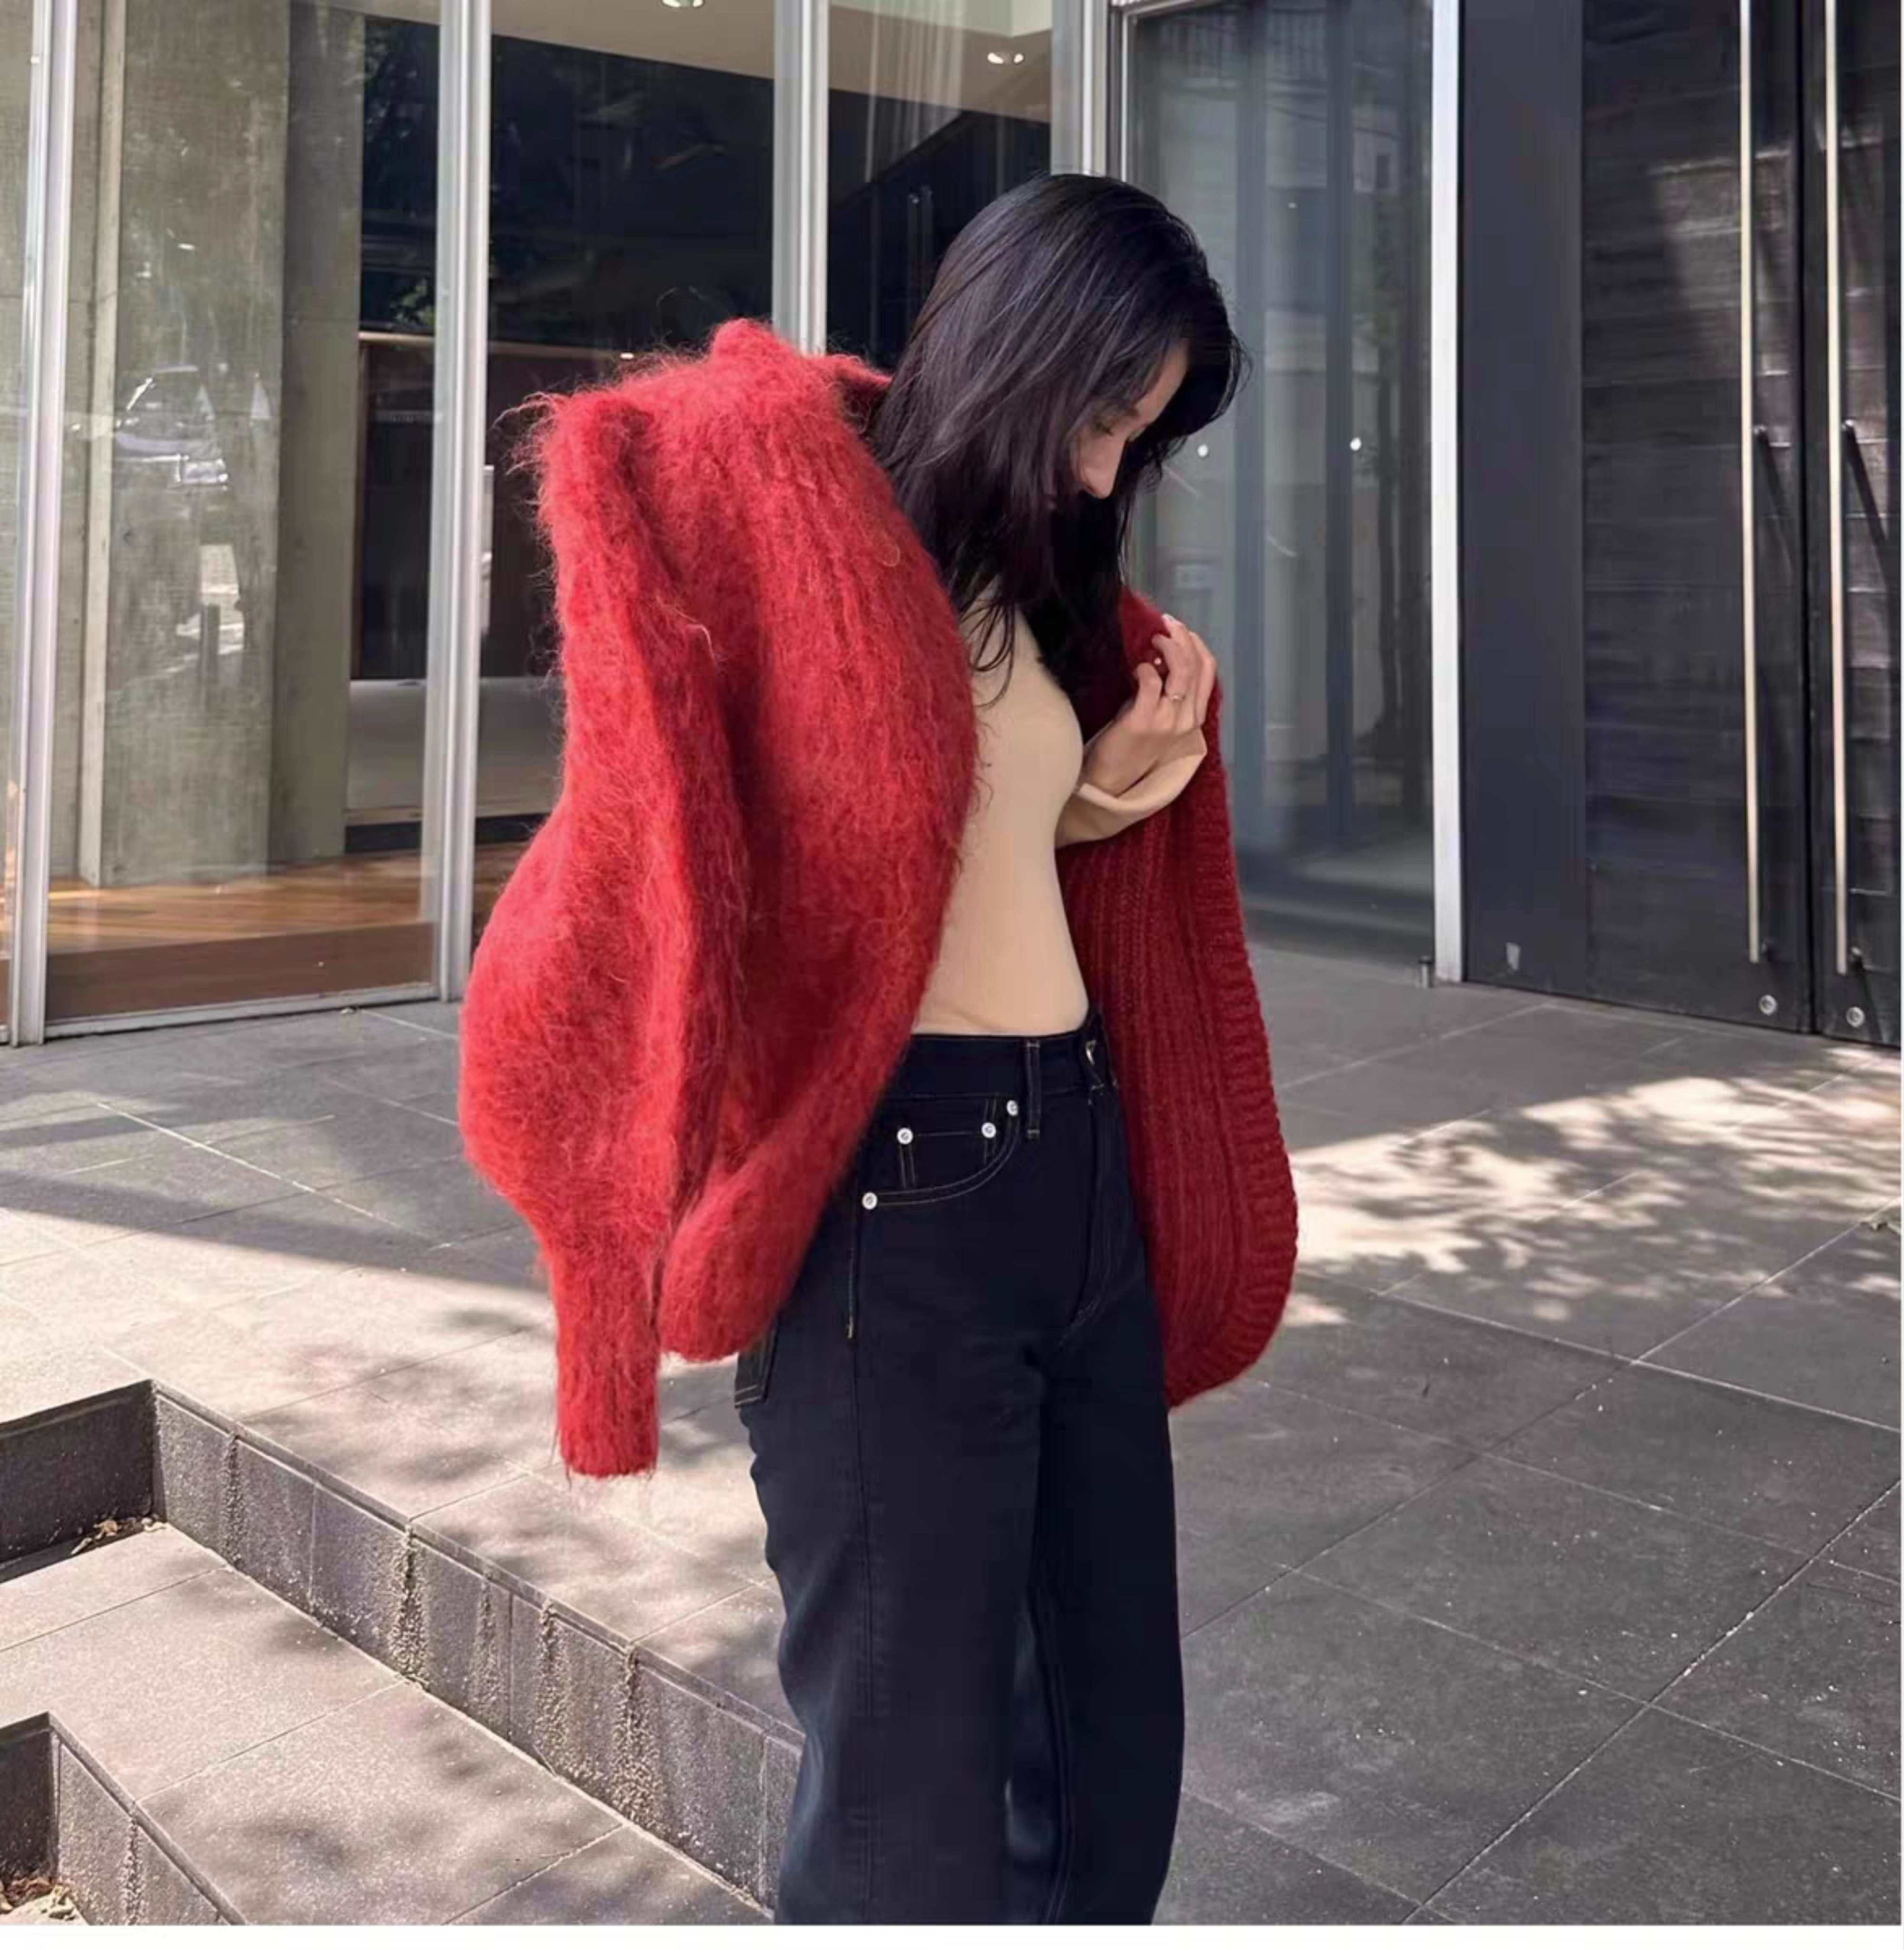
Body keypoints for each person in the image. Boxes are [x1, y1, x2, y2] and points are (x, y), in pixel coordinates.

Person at [456, 173, 1299, 1926]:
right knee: (910, 1799)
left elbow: (942, 860)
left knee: (1111, 1749)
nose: (1104, 476)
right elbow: (648, 881)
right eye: (1098, 416)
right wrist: (606, 1250)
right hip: (896, 1212)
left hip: (1077, 1170)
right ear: (1014, 346)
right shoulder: (792, 540)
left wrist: (1103, 797)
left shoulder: (1031, 582)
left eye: (1137, 441)